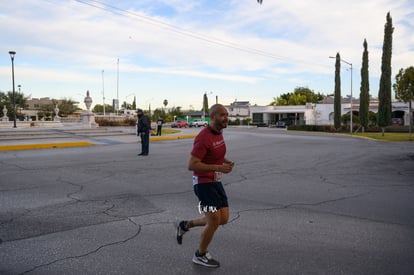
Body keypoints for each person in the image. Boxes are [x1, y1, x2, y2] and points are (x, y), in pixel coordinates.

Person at [176, 104, 235, 268]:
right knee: (214, 221)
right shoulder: (204, 137)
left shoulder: (219, 132)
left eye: (227, 114)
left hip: (215, 181)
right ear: (212, 117)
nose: (226, 118)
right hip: (203, 183)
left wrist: (225, 161)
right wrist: (218, 167)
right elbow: (192, 165)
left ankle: (185, 225)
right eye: (222, 115)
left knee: (223, 219)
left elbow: (213, 154)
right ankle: (200, 254)